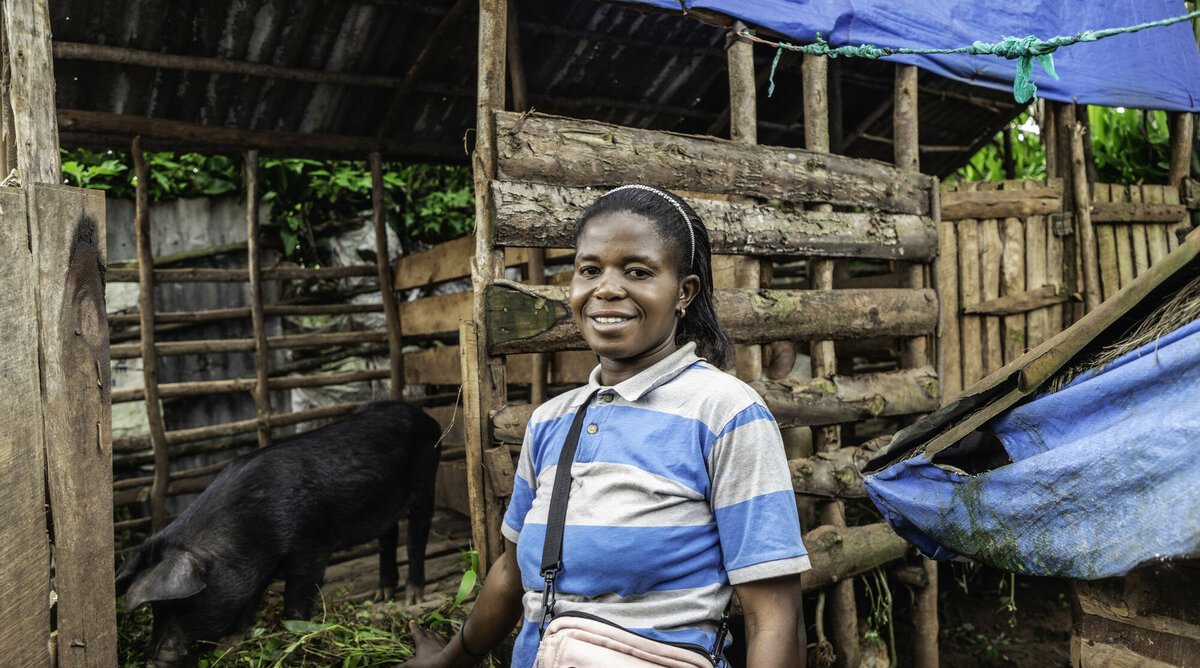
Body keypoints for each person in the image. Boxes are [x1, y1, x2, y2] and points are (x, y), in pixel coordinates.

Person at [405, 185, 809, 667]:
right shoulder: (550, 421)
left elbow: (775, 615)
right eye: (589, 270)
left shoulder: (726, 414)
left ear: (684, 292)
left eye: (638, 271)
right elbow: (511, 574)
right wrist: (449, 660)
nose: (607, 288)